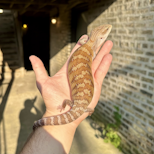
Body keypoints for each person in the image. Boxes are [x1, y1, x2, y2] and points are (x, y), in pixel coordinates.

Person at [20, 35, 113, 154]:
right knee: (86, 109)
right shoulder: (81, 107)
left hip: (81, 106)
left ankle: (42, 122)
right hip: (83, 106)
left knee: (82, 109)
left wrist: (61, 108)